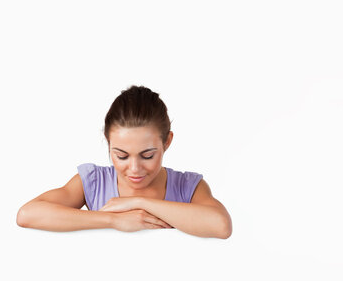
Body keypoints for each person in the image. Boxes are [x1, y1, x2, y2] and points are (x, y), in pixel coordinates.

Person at [16, 85, 232, 239]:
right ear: (108, 143)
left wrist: (139, 203)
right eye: (121, 156)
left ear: (167, 142)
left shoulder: (187, 187)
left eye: (147, 155)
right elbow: (27, 214)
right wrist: (114, 221)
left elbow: (221, 225)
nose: (135, 168)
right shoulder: (93, 181)